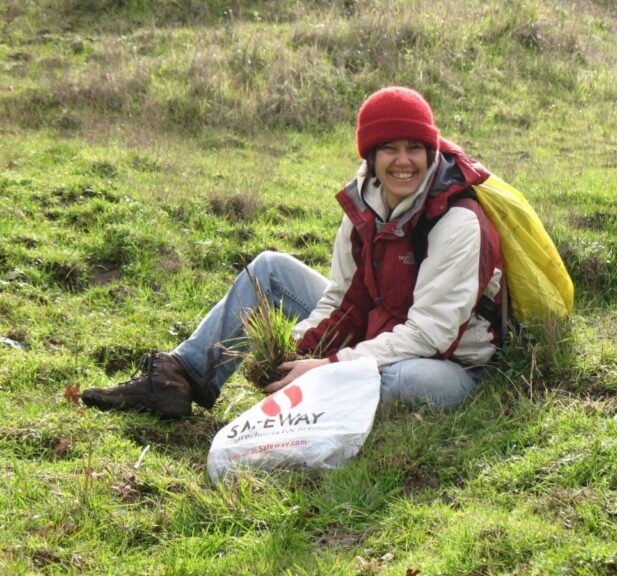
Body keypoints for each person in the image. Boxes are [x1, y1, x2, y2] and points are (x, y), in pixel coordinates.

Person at [82, 86, 504, 419]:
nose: (403, 161)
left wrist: (328, 367)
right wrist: (294, 350)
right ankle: (181, 376)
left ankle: (312, 400)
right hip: (378, 330)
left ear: (430, 152)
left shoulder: (456, 221)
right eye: (389, 149)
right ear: (371, 156)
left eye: (414, 148)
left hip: (449, 364)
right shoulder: (365, 205)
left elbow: (429, 335)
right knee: (270, 269)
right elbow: (342, 298)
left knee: (396, 377)